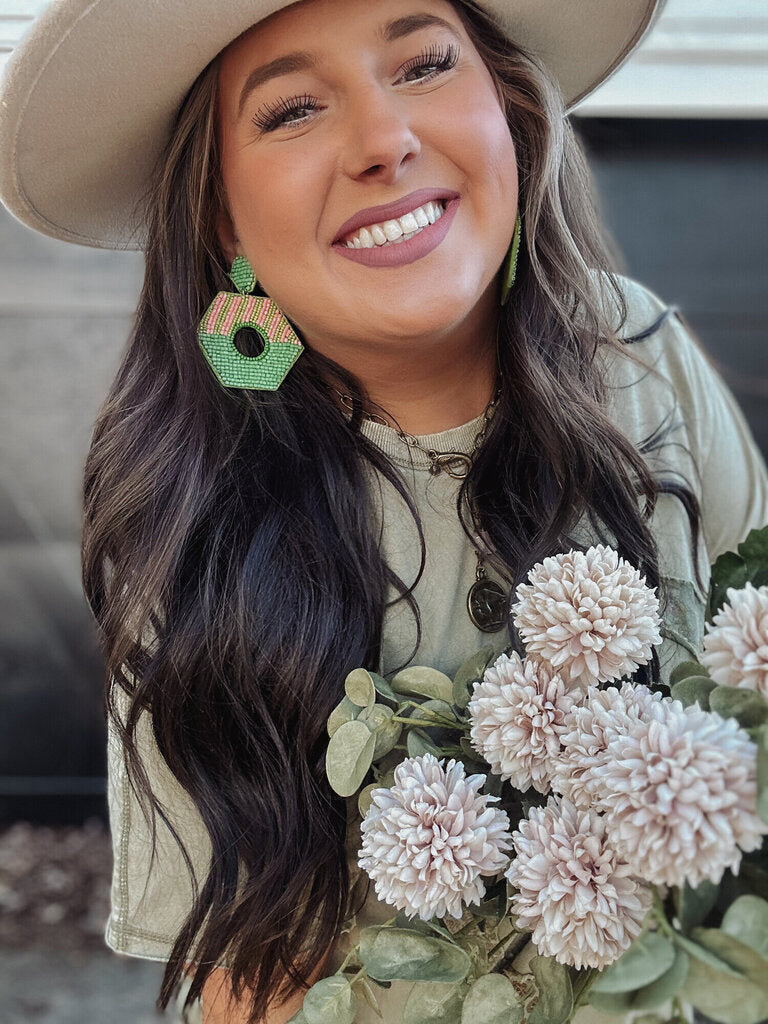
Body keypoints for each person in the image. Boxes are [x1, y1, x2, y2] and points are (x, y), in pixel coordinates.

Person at [1, 0, 766, 1021]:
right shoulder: (187, 520)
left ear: (507, 108)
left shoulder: (641, 360)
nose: (384, 140)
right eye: (291, 111)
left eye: (425, 65)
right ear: (223, 214)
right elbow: (248, 981)